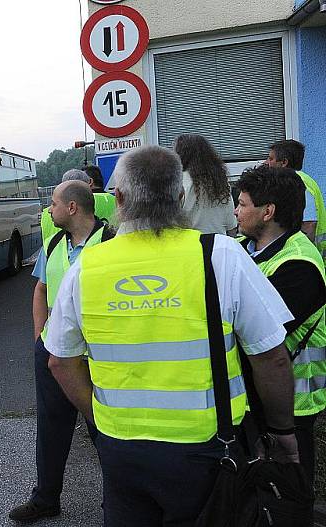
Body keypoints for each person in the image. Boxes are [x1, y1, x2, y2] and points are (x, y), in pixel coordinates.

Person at [46, 145, 298, 526]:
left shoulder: (87, 267)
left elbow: (60, 361)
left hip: (122, 448)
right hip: (209, 448)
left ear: (119, 198)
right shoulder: (220, 255)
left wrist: (98, 421)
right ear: (181, 197)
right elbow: (272, 356)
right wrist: (282, 431)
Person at [9, 180, 113, 523]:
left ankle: (117, 499)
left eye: (53, 203)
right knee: (51, 427)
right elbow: (41, 289)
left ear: (72, 207)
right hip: (55, 354)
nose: (48, 210)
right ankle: (45, 498)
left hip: (96, 356)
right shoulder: (54, 243)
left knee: (104, 428)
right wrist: (40, 337)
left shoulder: (110, 242)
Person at [234, 164, 326, 487]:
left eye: (243, 204)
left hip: (292, 406)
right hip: (258, 400)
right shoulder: (245, 250)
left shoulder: (299, 265)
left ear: (267, 212)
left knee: (289, 495)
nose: (236, 212)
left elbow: (255, 332)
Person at [267, 139, 326, 256]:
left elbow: (309, 225)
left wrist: (299, 256)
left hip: (310, 256)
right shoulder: (293, 181)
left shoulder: (298, 183)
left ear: (284, 162)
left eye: (270, 158)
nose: (266, 162)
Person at [173, 133, 237, 235]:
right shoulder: (220, 182)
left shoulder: (178, 182)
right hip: (218, 244)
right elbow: (231, 227)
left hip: (191, 246)